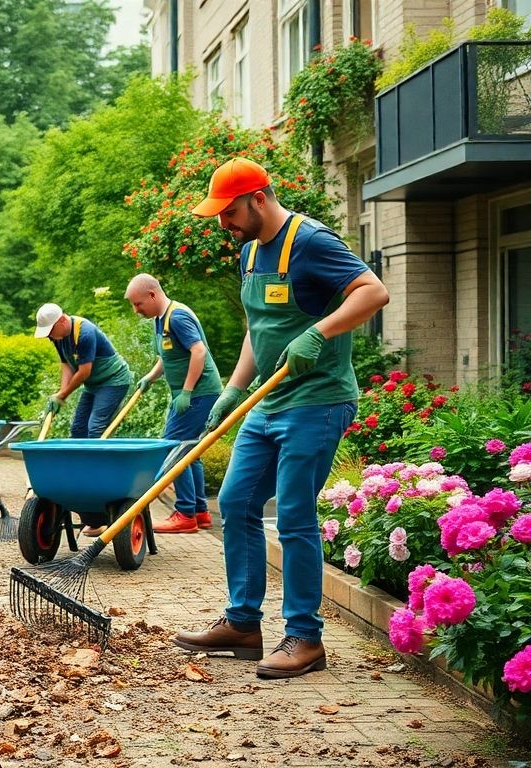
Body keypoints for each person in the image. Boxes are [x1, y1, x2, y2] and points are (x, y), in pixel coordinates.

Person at [173, 158, 388, 679]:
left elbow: (373, 291)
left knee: (293, 514)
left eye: (228, 212)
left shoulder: (310, 240)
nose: (223, 223)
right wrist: (232, 390)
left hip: (316, 400)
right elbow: (258, 326)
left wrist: (321, 332)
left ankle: (305, 638)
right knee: (236, 500)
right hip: (267, 402)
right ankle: (243, 623)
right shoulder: (249, 252)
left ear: (259, 199)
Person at [125, 274, 222, 534]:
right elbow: (167, 356)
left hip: (199, 393)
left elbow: (198, 351)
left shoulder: (177, 316)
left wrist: (187, 392)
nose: (136, 310)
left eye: (138, 304)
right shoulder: (161, 318)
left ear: (153, 295)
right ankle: (200, 512)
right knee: (189, 453)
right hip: (189, 393)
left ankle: (185, 513)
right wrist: (151, 377)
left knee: (173, 450)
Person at [33, 303, 133, 440]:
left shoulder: (84, 333)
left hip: (113, 380)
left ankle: (100, 461)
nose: (48, 336)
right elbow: (66, 364)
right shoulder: (57, 337)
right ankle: (80, 461)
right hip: (93, 384)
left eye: (50, 331)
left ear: (61, 320)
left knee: (96, 427)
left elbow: (84, 372)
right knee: (78, 428)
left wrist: (63, 395)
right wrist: (61, 394)